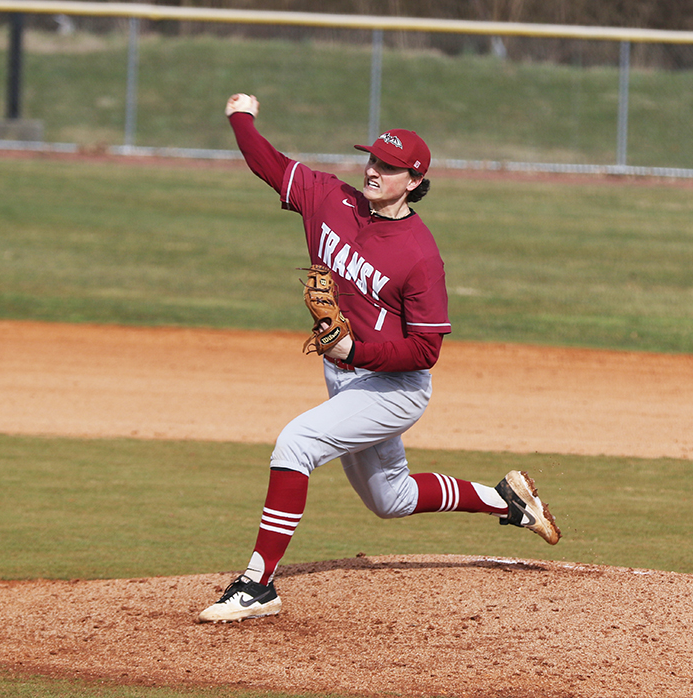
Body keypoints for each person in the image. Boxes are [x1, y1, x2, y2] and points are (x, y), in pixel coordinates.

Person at [198, 93, 560, 623]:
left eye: (389, 167)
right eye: (372, 159)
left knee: (295, 443)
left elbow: (426, 350)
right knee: (389, 498)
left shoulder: (420, 254)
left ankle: (258, 585)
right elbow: (268, 164)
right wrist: (240, 116)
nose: (374, 171)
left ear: (413, 181)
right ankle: (509, 501)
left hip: (396, 388)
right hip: (345, 377)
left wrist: (356, 350)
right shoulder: (328, 198)